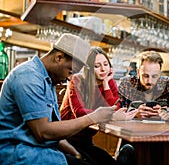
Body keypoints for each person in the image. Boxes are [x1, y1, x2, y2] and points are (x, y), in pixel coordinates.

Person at [0, 33, 117, 165]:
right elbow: (43, 132)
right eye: (70, 71)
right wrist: (93, 118)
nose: (69, 78)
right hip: (20, 154)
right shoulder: (28, 77)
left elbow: (53, 132)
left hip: (39, 149)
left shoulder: (47, 80)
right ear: (59, 58)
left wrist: (74, 153)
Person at [60, 46, 138, 165]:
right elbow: (79, 112)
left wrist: (106, 84)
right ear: (89, 69)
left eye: (105, 64)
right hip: (67, 140)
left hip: (86, 141)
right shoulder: (77, 81)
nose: (103, 69)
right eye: (97, 66)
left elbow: (114, 107)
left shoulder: (109, 81)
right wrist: (110, 116)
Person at [118, 50, 169, 118]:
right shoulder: (126, 84)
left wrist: (165, 111)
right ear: (138, 72)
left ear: (159, 73)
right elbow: (117, 113)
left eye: (154, 76)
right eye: (145, 76)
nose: (149, 81)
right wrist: (134, 114)